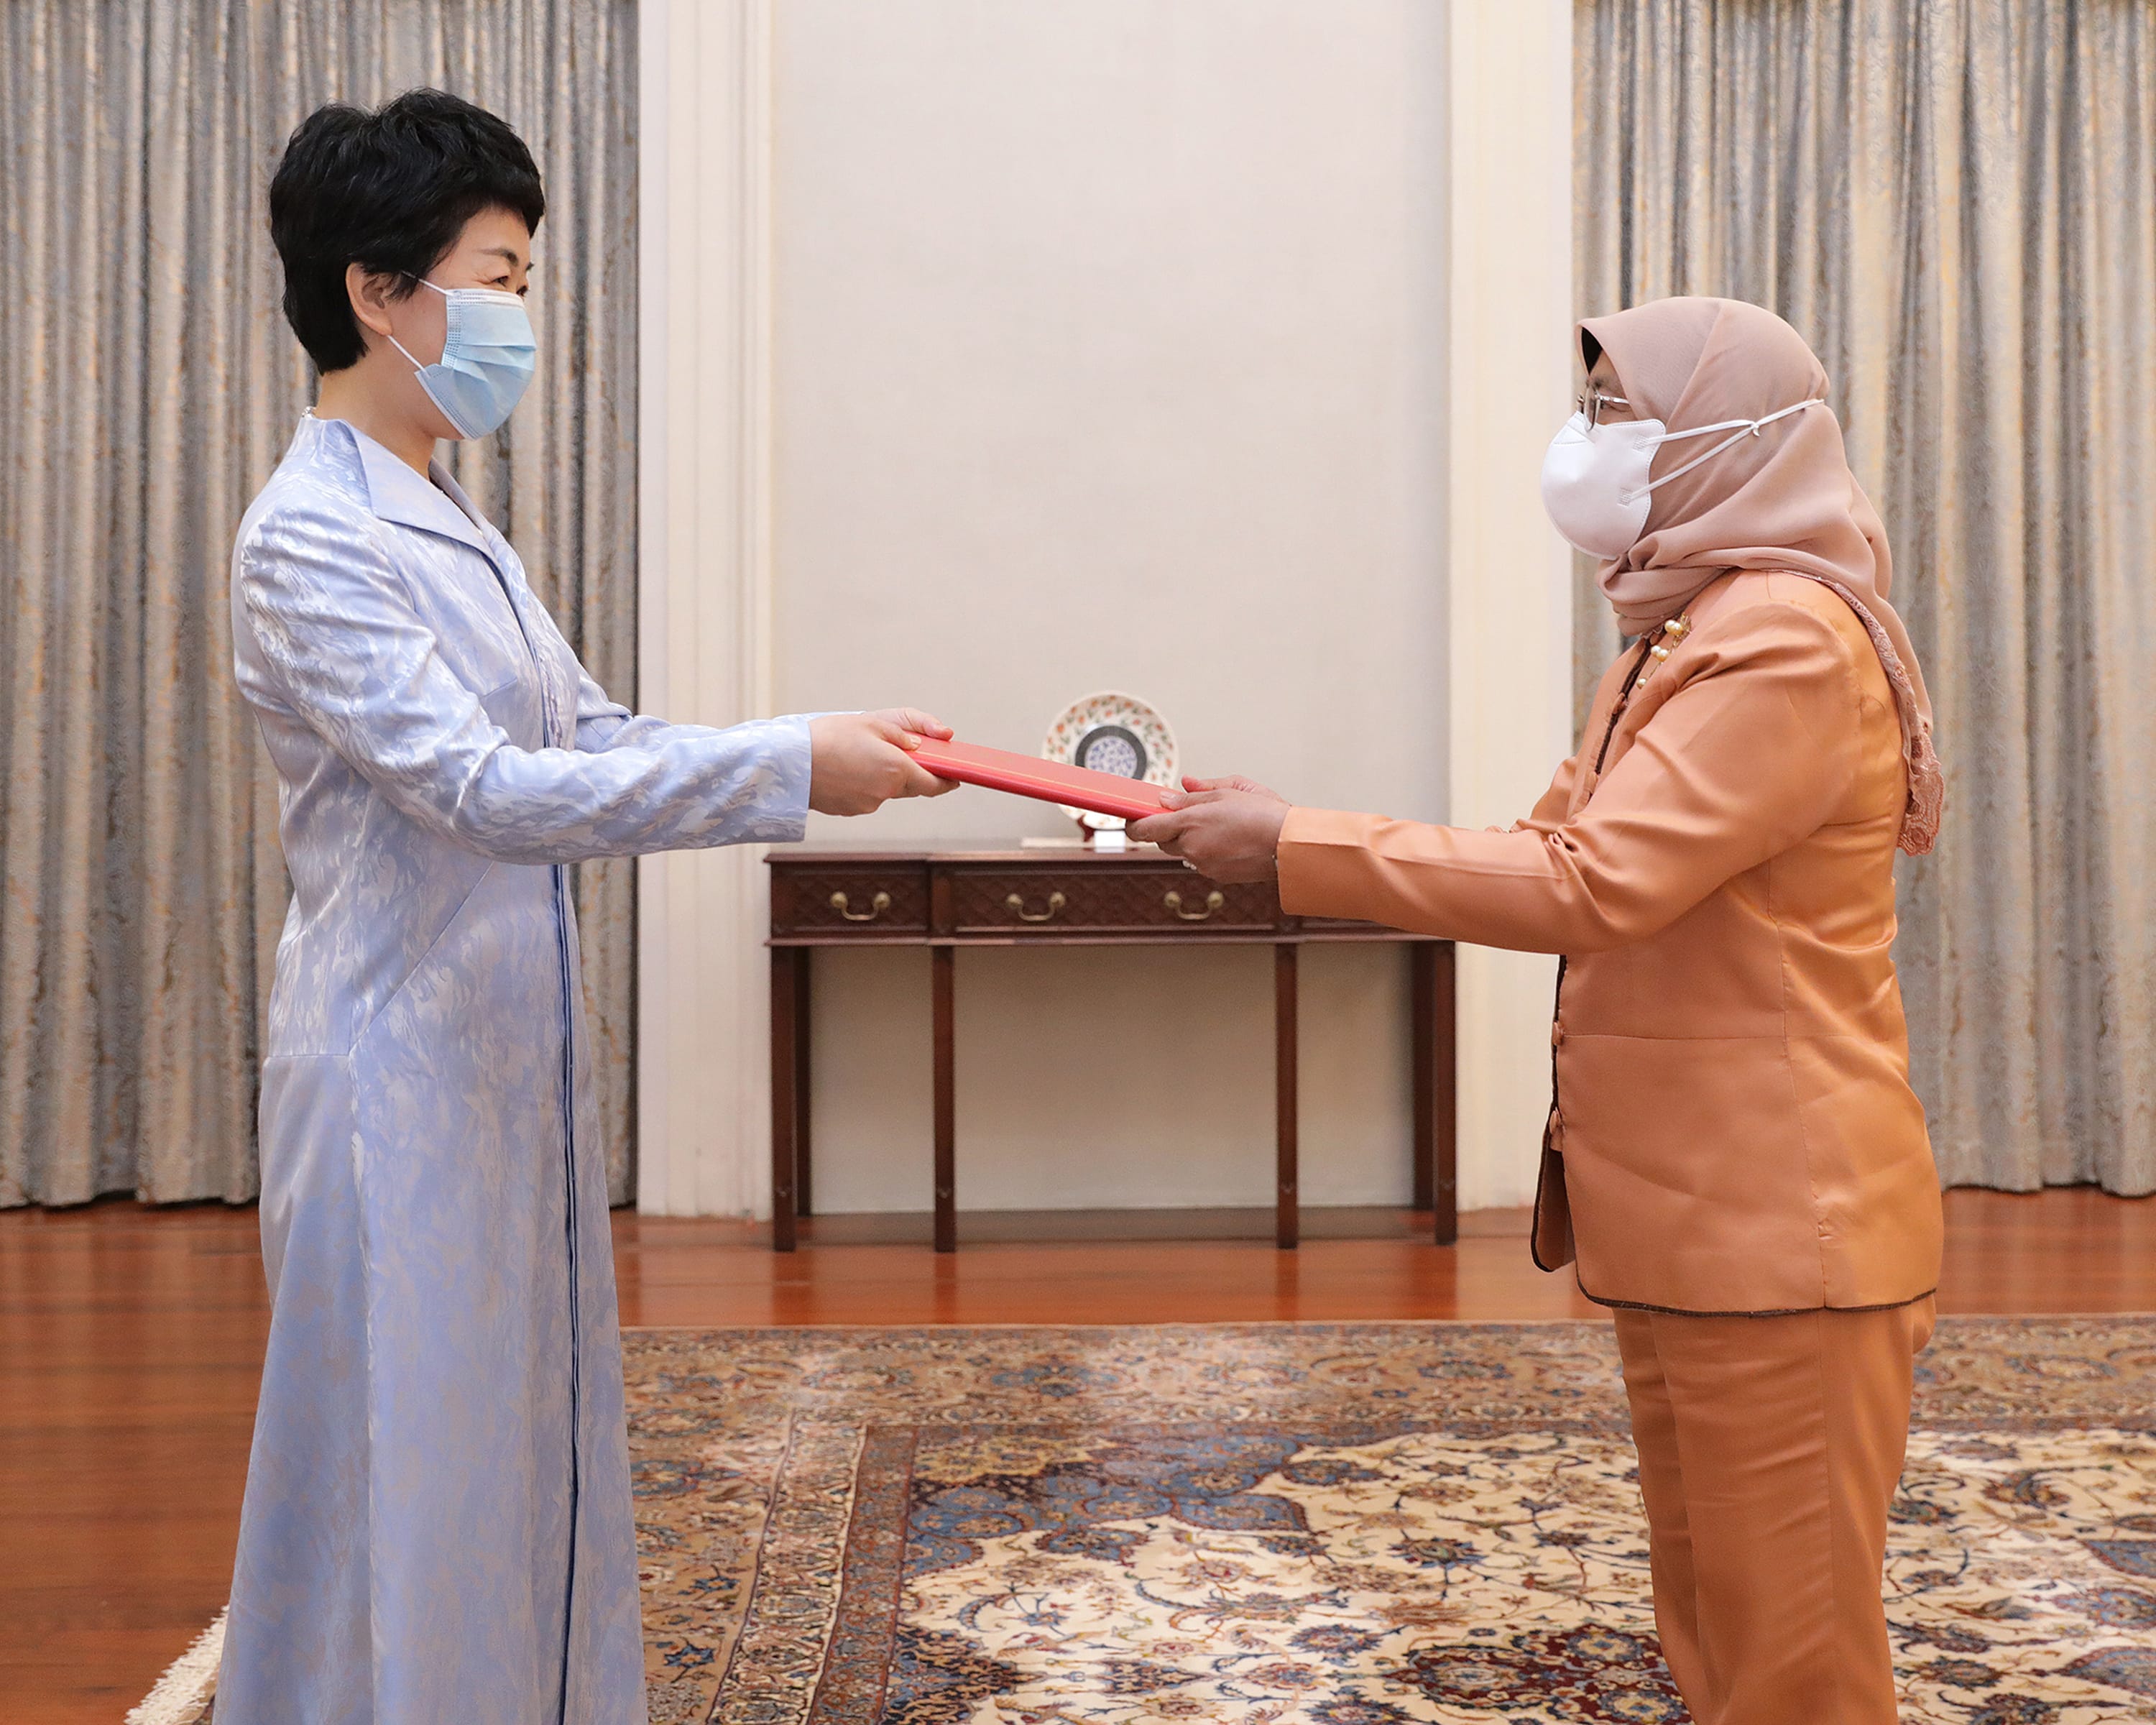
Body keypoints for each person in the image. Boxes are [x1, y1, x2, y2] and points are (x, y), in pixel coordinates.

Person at [218, 91, 953, 1724]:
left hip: (501, 1068)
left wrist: (815, 743)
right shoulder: (311, 537)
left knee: (515, 1451)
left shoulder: (454, 524)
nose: (521, 320)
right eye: (503, 278)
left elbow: (593, 742)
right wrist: (782, 771)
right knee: (398, 1479)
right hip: (388, 1081)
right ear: (376, 291)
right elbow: (478, 791)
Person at [1133, 296, 1946, 1725]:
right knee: (1717, 1624)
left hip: (1784, 1221)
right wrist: (1276, 829)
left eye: (1618, 414)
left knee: (1797, 1662)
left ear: (1728, 440)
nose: (1584, 446)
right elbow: (1539, 852)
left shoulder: (1784, 644)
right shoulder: (1679, 632)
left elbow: (1592, 886)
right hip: (1696, 1221)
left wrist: (1295, 845)